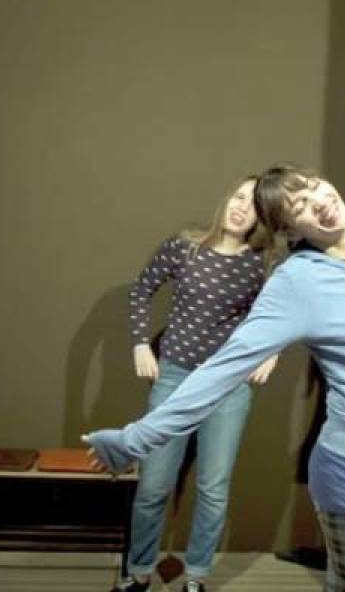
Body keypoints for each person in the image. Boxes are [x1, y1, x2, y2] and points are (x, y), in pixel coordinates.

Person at [85, 17, 345, 591]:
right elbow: (220, 371)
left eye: (314, 188)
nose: (319, 203)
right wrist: (135, 439)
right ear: (290, 230)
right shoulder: (296, 283)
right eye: (300, 207)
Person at [114, 176, 278, 592]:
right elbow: (141, 289)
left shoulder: (260, 264)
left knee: (213, 488)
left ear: (261, 219)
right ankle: (139, 572)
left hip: (227, 385)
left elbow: (280, 311)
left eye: (254, 206)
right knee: (153, 486)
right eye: (239, 197)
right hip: (174, 378)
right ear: (227, 199)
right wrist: (140, 344)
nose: (242, 208)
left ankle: (196, 576)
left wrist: (272, 351)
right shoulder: (184, 246)